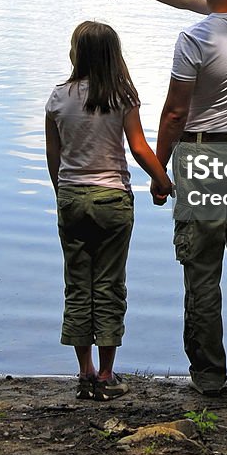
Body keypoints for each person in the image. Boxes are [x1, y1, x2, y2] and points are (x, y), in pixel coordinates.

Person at [92, 0, 227, 397]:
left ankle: (210, 377)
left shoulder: (194, 40)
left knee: (202, 268)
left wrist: (159, 170)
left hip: (204, 159)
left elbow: (174, 114)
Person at [45, 20, 172, 401]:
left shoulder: (57, 98)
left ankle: (83, 373)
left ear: (76, 53)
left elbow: (55, 157)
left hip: (72, 198)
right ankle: (105, 375)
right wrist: (162, 179)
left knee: (77, 285)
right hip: (113, 201)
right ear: (113, 56)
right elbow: (137, 147)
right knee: (109, 286)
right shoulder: (122, 95)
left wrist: (63, 193)